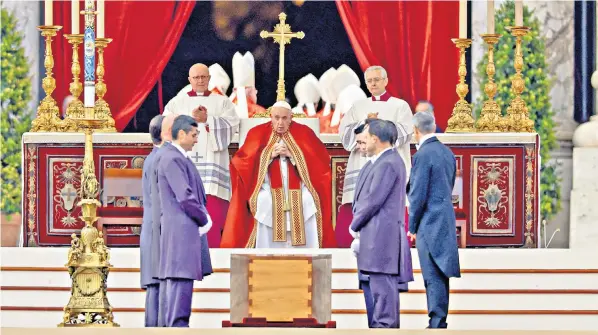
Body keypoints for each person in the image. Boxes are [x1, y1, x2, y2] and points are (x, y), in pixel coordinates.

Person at [220, 101, 336, 248]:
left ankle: (306, 252)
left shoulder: (305, 132)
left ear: (291, 117)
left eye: (284, 118)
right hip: (266, 187)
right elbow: (241, 163)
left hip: (301, 187)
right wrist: (267, 155)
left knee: (307, 200)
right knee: (264, 201)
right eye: (276, 118)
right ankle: (266, 252)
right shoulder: (257, 133)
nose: (280, 123)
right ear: (270, 116)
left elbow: (320, 163)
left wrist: (294, 155)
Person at [163, 63, 240, 249]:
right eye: (196, 77)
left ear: (209, 79)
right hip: (184, 164)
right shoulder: (177, 102)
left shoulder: (222, 102)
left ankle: (212, 255)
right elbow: (166, 127)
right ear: (189, 80)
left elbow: (232, 125)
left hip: (212, 169)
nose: (200, 80)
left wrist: (208, 121)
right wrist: (187, 121)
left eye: (203, 77)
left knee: (212, 212)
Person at [337, 65, 413, 248]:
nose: (373, 84)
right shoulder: (358, 107)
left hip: (389, 165)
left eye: (376, 80)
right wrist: (364, 122)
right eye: (369, 81)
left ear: (385, 81)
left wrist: (377, 125)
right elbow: (345, 134)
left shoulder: (400, 105)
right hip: (362, 164)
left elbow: (404, 133)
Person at [349, 119, 413, 328]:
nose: (362, 144)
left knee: (383, 298)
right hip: (372, 237)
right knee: (374, 293)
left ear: (376, 139)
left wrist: (354, 224)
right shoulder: (378, 162)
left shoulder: (389, 162)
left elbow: (373, 200)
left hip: (381, 238)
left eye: (365, 139)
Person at [156, 115, 213, 327]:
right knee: (179, 290)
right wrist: (203, 218)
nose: (196, 139)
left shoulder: (178, 157)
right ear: (181, 134)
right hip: (181, 231)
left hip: (183, 230)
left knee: (181, 288)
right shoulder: (173, 158)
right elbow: (185, 196)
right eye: (194, 134)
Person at [408, 111, 460, 329]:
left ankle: (436, 321)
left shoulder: (422, 155)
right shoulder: (447, 152)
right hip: (445, 216)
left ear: (415, 131)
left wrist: (412, 225)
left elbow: (418, 194)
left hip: (428, 221)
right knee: (440, 271)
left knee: (431, 273)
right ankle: (440, 318)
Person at [140, 115, 164, 327]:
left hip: (153, 227)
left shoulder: (153, 157)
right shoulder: (160, 159)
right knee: (158, 288)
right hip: (158, 229)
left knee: (155, 289)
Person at [230, 51, 267, 118]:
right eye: (255, 90)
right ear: (251, 91)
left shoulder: (226, 111)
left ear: (234, 91)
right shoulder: (260, 112)